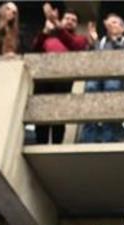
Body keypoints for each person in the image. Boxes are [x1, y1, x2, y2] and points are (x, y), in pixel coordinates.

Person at [31, 4, 89, 146]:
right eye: (67, 18)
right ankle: (40, 143)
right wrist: (45, 31)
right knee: (41, 113)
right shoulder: (48, 37)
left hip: (63, 80)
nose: (69, 21)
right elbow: (35, 49)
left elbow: (75, 45)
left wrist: (57, 25)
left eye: (73, 20)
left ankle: (57, 144)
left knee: (59, 113)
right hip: (43, 78)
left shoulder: (80, 39)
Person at [80, 13, 124, 144]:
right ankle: (88, 139)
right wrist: (93, 41)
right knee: (90, 90)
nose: (111, 25)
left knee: (111, 89)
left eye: (115, 22)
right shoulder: (101, 42)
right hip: (96, 77)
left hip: (114, 78)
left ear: (122, 28)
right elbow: (93, 58)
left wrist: (113, 39)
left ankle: (108, 137)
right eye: (110, 22)